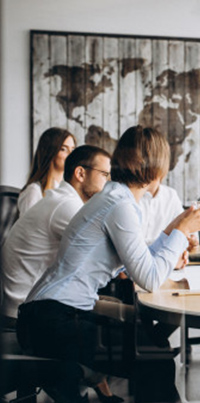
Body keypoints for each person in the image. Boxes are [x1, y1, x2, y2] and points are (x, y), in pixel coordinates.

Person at [16, 125, 200, 403]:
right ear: (156, 168)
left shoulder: (115, 198)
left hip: (47, 315)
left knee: (155, 346)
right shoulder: (119, 205)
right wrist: (181, 231)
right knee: (156, 359)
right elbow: (149, 276)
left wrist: (177, 227)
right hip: (51, 321)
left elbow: (140, 261)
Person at [1, 145, 121, 403]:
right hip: (29, 309)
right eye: (105, 175)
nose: (110, 183)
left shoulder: (60, 200)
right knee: (107, 325)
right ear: (80, 173)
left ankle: (94, 386)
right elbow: (109, 252)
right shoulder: (66, 206)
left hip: (32, 301)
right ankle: (92, 386)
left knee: (101, 310)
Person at [18, 128, 76, 215]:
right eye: (63, 149)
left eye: (72, 150)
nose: (71, 155)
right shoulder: (34, 191)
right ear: (50, 152)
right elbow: (28, 227)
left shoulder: (68, 190)